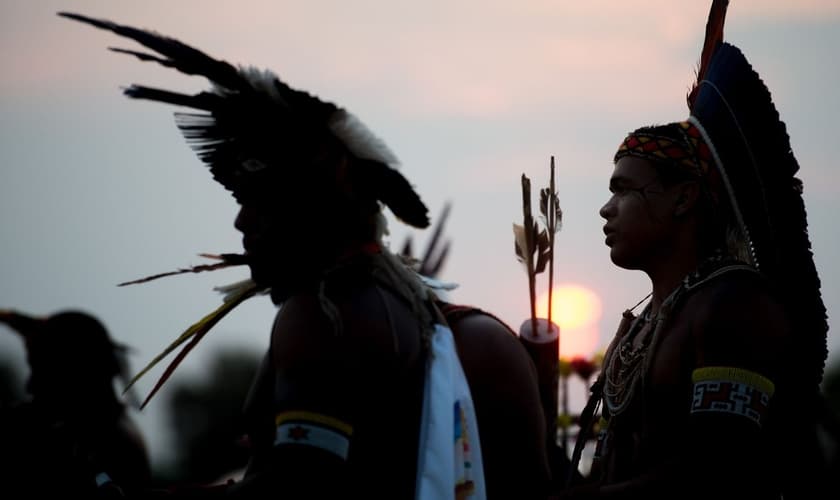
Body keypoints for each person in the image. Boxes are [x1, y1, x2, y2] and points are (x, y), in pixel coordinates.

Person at [60, 11, 550, 499]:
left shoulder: (322, 318)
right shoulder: (445, 327)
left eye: (260, 202)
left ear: (314, 210)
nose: (241, 222)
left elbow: (293, 491)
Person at [560, 1, 829, 498]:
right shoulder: (643, 323)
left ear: (684, 198)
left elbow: (718, 472)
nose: (606, 209)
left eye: (623, 191)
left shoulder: (733, 307)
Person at [0, 309, 151, 498]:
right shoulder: (106, 429)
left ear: (79, 371)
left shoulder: (102, 443)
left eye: (45, 371)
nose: (31, 386)